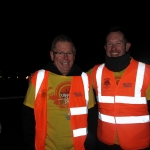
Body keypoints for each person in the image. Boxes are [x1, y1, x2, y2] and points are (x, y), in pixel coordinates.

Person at [22, 34, 97, 150]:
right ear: (52, 55)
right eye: (60, 53)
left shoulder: (84, 80)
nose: (65, 58)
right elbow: (28, 118)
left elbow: (92, 119)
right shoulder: (39, 78)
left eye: (69, 53)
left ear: (74, 55)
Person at [90, 26, 150, 150]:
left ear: (127, 46)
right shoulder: (95, 72)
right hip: (105, 143)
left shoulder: (146, 71)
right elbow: (72, 81)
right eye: (109, 44)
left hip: (137, 143)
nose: (113, 49)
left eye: (118, 43)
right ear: (105, 48)